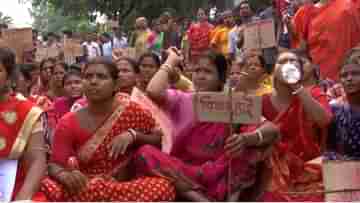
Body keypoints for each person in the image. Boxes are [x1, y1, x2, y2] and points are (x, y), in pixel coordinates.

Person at [135, 47, 279, 201]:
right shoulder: (183, 99)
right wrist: (171, 60)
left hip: (217, 175)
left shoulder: (230, 103)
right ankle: (199, 199)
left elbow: (271, 129)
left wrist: (246, 139)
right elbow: (153, 90)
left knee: (248, 147)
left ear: (221, 78)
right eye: (197, 71)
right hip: (181, 170)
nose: (201, 76)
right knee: (144, 152)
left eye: (208, 72)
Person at [40, 57, 176, 201]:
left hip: (127, 185)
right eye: (88, 77)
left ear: (116, 84)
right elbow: (55, 164)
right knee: (46, 186)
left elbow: (158, 141)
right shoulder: (68, 122)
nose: (93, 81)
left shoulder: (130, 109)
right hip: (88, 184)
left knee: (163, 187)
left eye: (101, 77)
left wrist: (133, 135)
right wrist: (65, 176)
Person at [228, 50, 332, 201]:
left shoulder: (313, 94)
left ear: (301, 72)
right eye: (282, 62)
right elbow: (234, 127)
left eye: (292, 61)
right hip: (269, 174)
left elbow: (324, 120)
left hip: (306, 170)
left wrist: (297, 86)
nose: (287, 65)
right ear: (273, 72)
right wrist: (240, 89)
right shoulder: (261, 101)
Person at [0, 47, 47, 201]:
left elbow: (36, 160)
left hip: (14, 188)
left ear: (9, 76)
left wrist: (23, 198)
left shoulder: (27, 111)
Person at [305, 0, 360, 81]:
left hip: (350, 72)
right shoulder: (305, 12)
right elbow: (300, 47)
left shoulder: (348, 6)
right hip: (322, 74)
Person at [326, 48, 360, 160]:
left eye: (355, 74)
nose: (349, 79)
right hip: (345, 168)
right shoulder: (334, 109)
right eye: (344, 75)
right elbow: (330, 148)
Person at [46, 68, 83, 144]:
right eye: (68, 84)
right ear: (63, 87)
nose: (73, 86)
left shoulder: (90, 103)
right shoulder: (57, 104)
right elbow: (52, 131)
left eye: (77, 82)